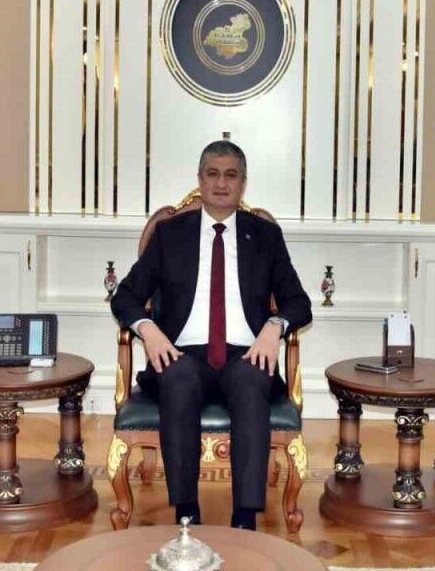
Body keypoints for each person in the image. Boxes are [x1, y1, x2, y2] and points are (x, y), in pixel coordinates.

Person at [110, 140, 312, 530]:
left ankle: (244, 519)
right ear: (200, 180)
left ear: (243, 183)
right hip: (182, 354)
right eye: (213, 174)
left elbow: (299, 302)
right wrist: (148, 330)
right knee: (179, 376)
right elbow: (126, 297)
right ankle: (187, 512)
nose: (221, 183)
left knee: (253, 377)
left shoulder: (265, 236)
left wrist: (274, 328)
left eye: (231, 175)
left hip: (246, 354)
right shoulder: (170, 234)